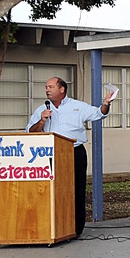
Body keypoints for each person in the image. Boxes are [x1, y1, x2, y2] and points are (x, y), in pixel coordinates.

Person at [26, 77, 114, 237]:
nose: (47, 90)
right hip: (49, 154)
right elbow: (30, 132)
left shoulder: (77, 106)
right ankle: (54, 226)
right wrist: (42, 120)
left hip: (74, 152)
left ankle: (75, 228)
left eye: (51, 87)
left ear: (62, 90)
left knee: (76, 189)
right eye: (46, 87)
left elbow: (98, 114)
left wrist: (106, 103)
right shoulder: (42, 109)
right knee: (51, 190)